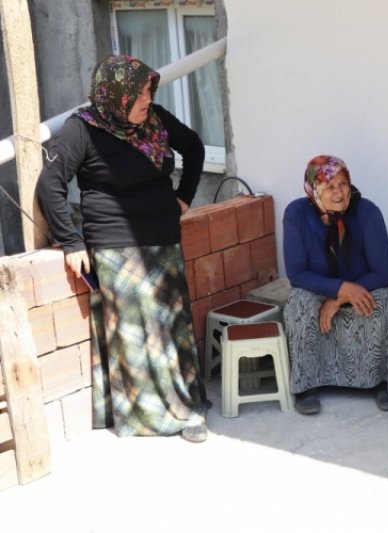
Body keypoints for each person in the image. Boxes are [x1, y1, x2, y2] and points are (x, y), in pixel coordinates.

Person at [36, 55, 208, 442]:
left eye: (149, 90)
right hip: (116, 245)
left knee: (169, 325)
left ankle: (181, 400)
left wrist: (184, 197)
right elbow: (50, 185)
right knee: (140, 332)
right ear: (117, 94)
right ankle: (163, 415)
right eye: (140, 93)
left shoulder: (155, 120)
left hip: (163, 239)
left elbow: (195, 148)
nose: (148, 99)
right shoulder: (82, 128)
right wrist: (71, 241)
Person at [282, 155, 388, 415]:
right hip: (321, 287)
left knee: (381, 301)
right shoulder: (296, 214)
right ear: (313, 190)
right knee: (299, 303)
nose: (339, 193)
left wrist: (341, 296)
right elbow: (297, 274)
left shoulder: (367, 212)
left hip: (365, 283)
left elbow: (383, 272)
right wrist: (338, 288)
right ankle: (307, 384)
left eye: (343, 184)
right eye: (329, 187)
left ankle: (384, 381)